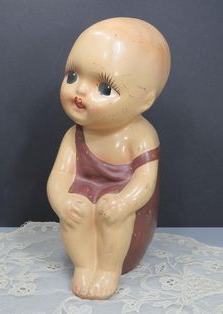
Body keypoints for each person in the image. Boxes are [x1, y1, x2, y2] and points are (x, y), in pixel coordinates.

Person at [47, 17, 171, 300]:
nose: (80, 92)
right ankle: (84, 264)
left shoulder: (141, 135)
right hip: (84, 195)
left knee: (112, 214)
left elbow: (145, 181)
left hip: (125, 206)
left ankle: (107, 269)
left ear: (144, 100)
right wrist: (62, 201)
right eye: (72, 76)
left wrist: (124, 201)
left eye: (104, 88)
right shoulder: (73, 135)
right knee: (76, 212)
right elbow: (61, 176)